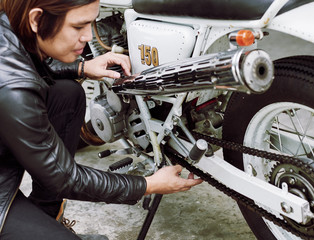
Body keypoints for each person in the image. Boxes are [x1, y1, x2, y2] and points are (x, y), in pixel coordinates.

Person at [0, 0, 203, 239]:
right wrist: (148, 185)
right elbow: (65, 177)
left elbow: (27, 60)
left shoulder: (10, 29)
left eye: (91, 24)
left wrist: (81, 68)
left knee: (67, 94)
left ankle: (46, 213)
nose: (87, 36)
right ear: (36, 20)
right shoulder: (14, 89)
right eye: (78, 27)